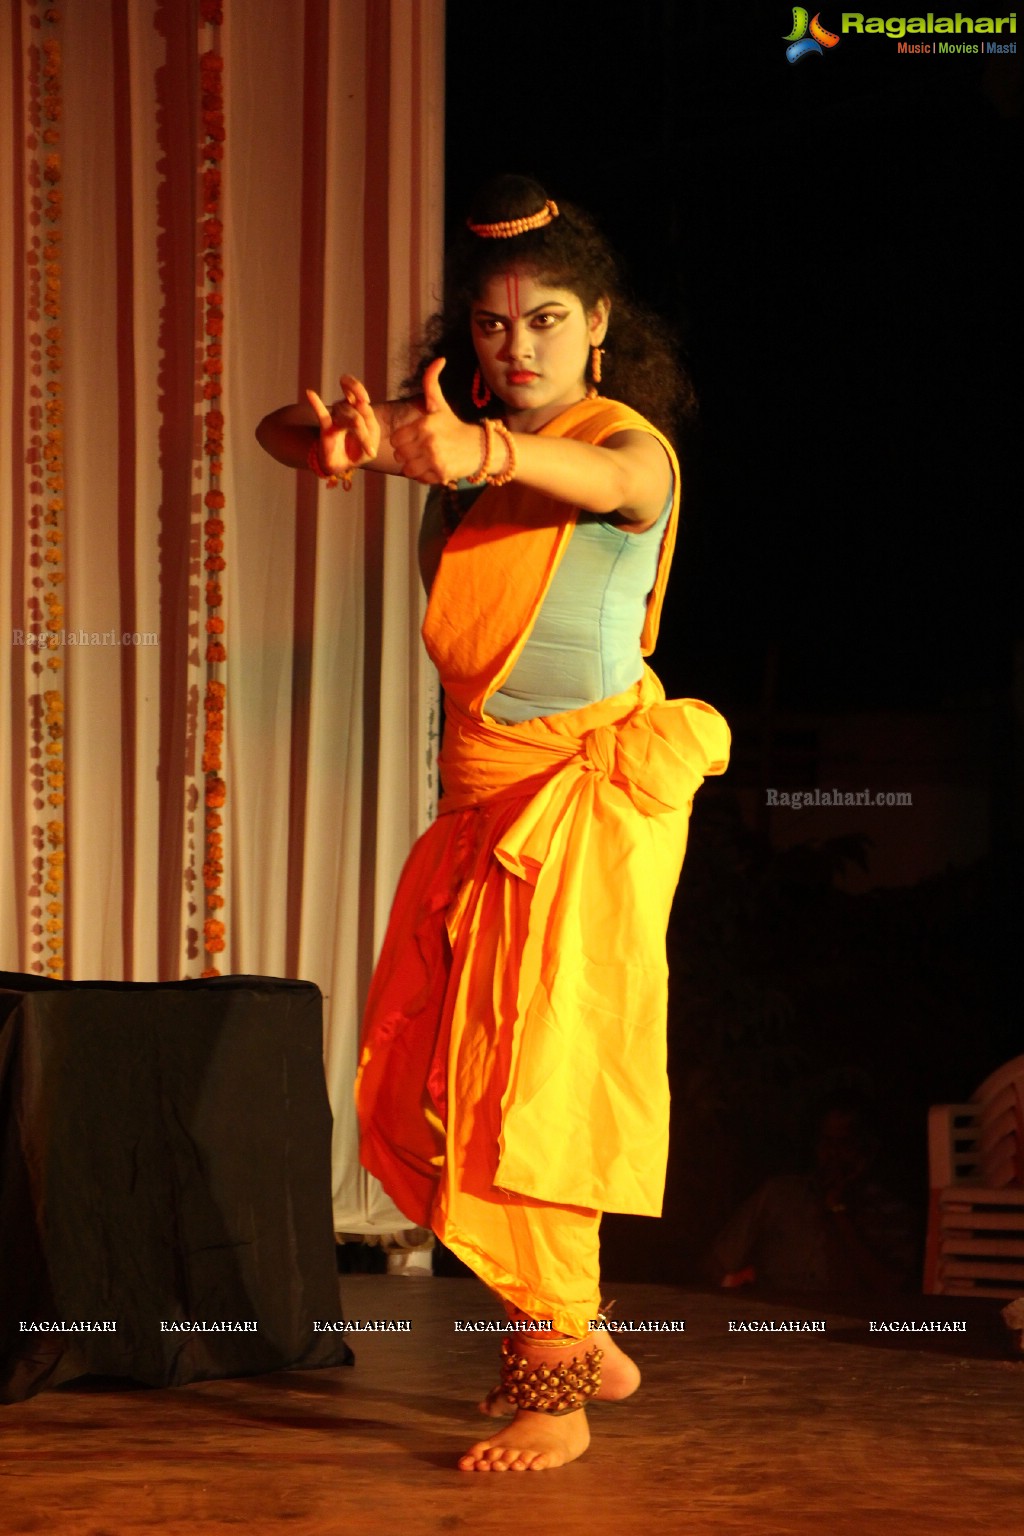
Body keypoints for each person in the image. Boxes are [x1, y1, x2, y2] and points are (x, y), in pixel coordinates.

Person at [256, 174, 730, 1471]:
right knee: (441, 1078)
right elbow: (270, 437)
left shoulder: (625, 446)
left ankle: (552, 1385)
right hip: (478, 796)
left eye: (544, 321)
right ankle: (575, 1324)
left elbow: (612, 483)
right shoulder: (448, 454)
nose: (514, 347)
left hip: (587, 806)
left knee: (542, 1083)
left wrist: (483, 452)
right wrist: (347, 445)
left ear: (599, 325)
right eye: (491, 324)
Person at [708, 1098, 917, 1296]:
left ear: (866, 1149)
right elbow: (718, 1263)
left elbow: (890, 1289)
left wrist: (838, 1212)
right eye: (827, 1142)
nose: (833, 1154)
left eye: (844, 1144)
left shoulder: (888, 1211)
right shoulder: (779, 1195)